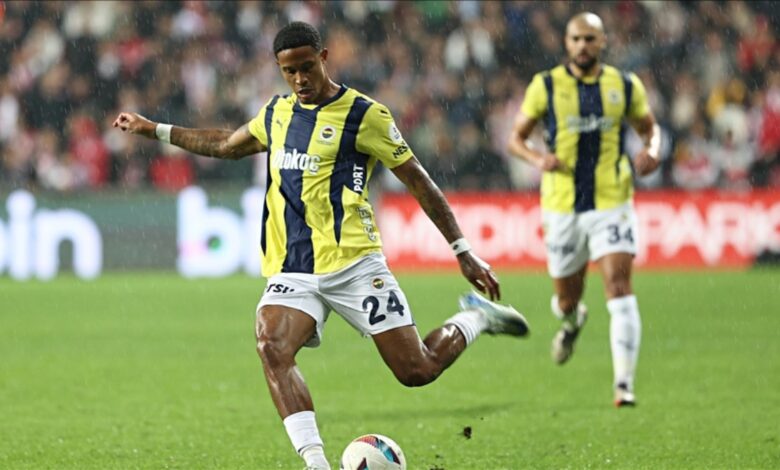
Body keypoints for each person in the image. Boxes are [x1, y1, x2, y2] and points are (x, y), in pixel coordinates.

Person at [113, 21, 529, 470]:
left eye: (307, 67)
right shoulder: (276, 113)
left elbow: (418, 181)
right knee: (271, 345)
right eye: (289, 71)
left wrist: (462, 250)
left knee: (417, 371)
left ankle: (475, 318)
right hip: (293, 268)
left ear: (324, 57)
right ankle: (316, 464)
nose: (300, 79)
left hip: (354, 264)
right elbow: (225, 145)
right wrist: (154, 129)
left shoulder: (365, 115)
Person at [507, 12, 661, 408]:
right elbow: (516, 139)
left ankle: (624, 384)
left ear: (603, 42)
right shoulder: (545, 85)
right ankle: (573, 321)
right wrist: (538, 159)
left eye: (590, 39)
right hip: (562, 206)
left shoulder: (624, 85)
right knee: (566, 300)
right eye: (576, 39)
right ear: (566, 42)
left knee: (619, 287)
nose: (582, 46)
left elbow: (650, 128)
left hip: (612, 200)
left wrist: (652, 150)